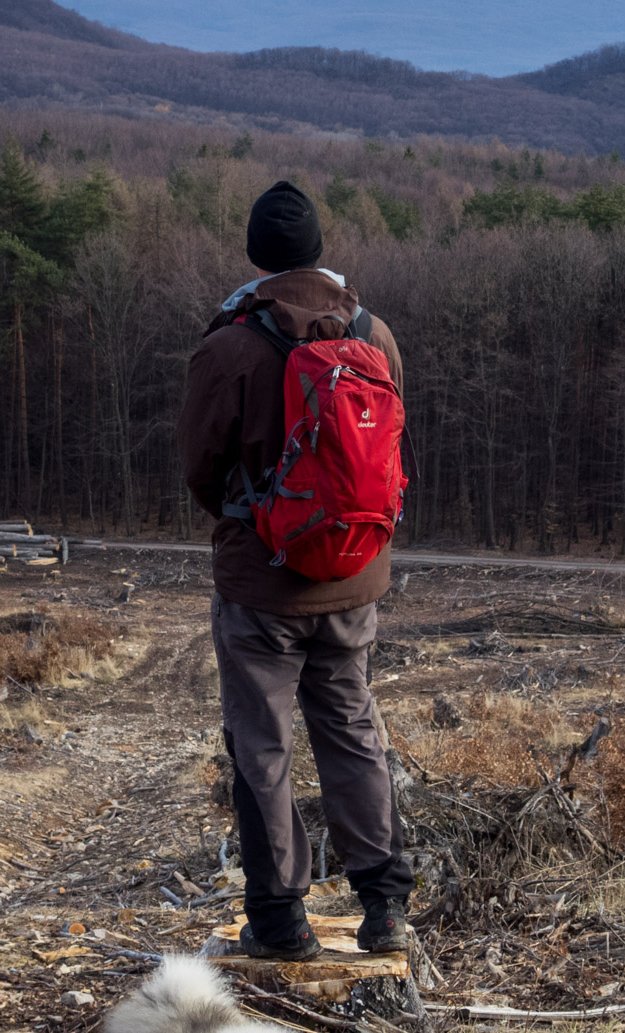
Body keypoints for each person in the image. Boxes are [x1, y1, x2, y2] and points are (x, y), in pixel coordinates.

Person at [176, 180, 415, 961]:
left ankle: (281, 921)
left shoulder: (230, 346)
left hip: (262, 586)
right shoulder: (374, 335)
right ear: (318, 251)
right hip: (354, 578)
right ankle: (383, 908)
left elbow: (201, 471)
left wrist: (255, 522)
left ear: (256, 255)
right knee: (351, 731)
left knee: (262, 745)